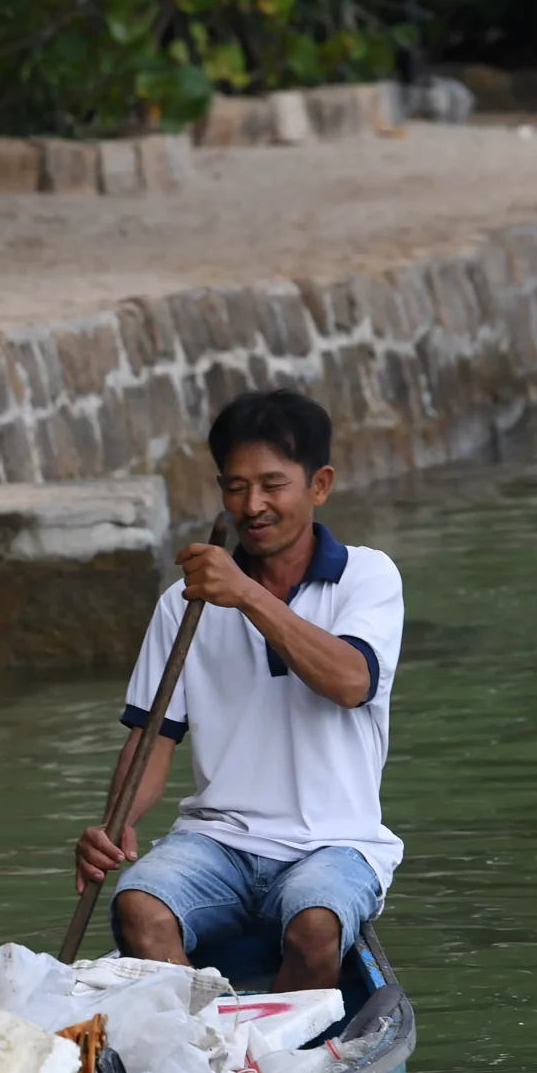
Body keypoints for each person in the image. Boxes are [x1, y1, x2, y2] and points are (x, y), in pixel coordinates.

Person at [74, 389, 404, 991]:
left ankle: (279, 1059)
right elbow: (153, 739)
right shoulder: (184, 604)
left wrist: (246, 595)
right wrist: (113, 822)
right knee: (138, 907)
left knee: (315, 925)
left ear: (319, 485)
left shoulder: (367, 575)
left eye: (273, 485)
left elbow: (351, 682)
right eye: (234, 487)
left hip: (335, 845)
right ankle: (200, 1050)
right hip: (216, 840)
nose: (253, 506)